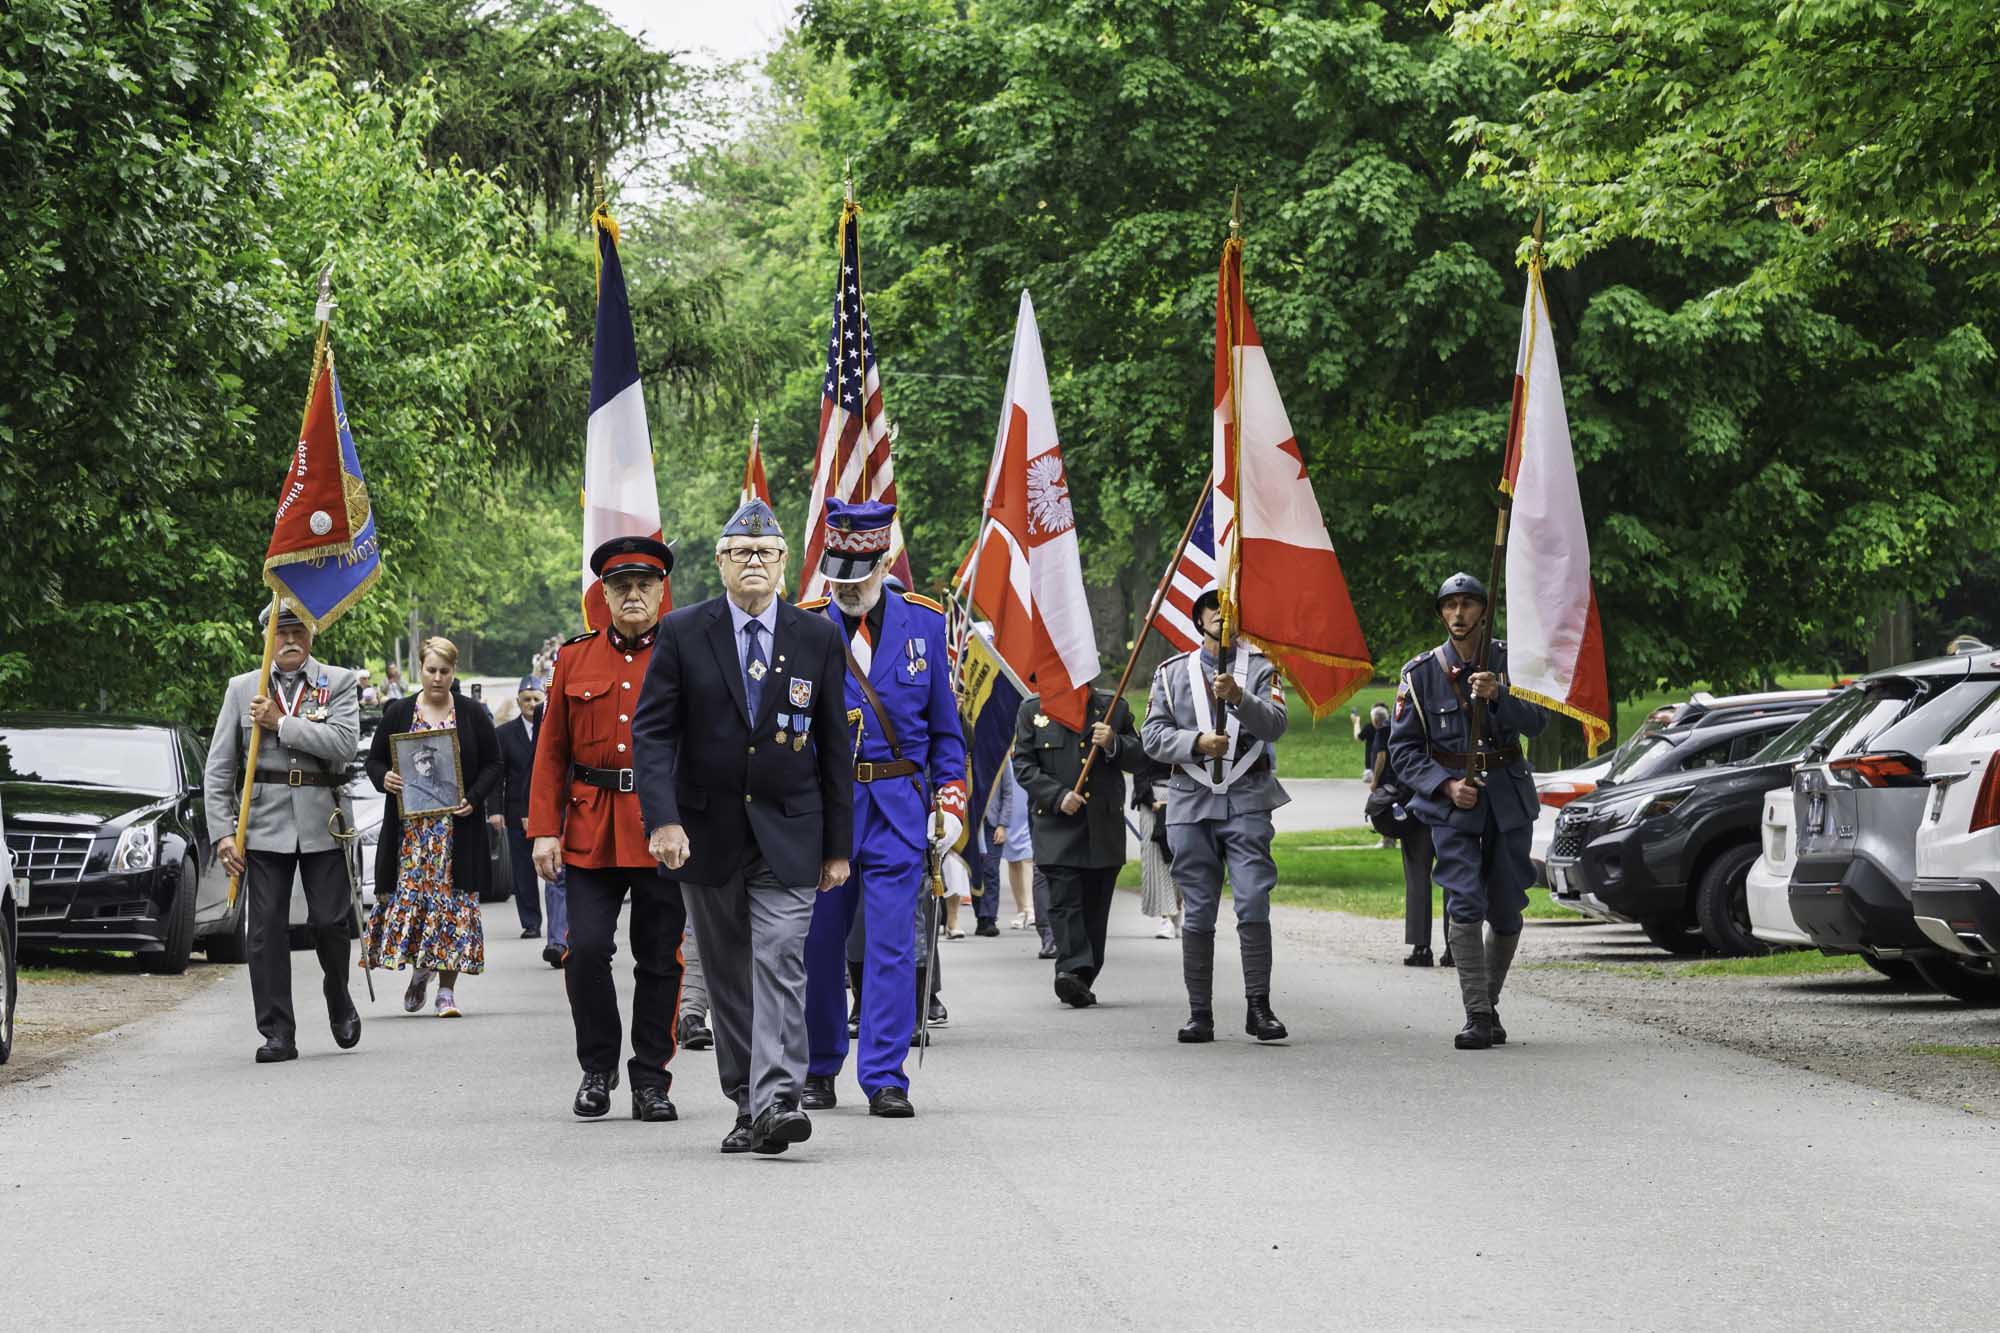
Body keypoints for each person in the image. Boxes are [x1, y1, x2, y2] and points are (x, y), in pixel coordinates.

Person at [631, 500, 853, 1155]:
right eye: (741, 552)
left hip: (792, 832)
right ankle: (747, 1102)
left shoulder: (817, 637)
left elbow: (834, 746)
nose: (754, 562)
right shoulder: (681, 630)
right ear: (721, 562)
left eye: (767, 552)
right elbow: (652, 733)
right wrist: (663, 819)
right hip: (707, 833)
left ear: (786, 564)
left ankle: (780, 1098)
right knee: (728, 977)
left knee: (782, 960)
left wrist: (838, 845)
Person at [796, 499, 966, 1119]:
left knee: (894, 944)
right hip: (826, 812)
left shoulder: (923, 624)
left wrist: (950, 797)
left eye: (859, 574)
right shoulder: (805, 624)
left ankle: (885, 1075)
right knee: (818, 946)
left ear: (884, 562)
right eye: (837, 574)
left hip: (898, 807)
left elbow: (947, 733)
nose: (847, 586)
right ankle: (818, 1068)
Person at [528, 535, 688, 1122]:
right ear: (604, 593)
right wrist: (544, 829)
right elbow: (551, 752)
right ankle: (597, 1068)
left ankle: (651, 1079)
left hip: (660, 829)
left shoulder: (682, 652)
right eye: (621, 586)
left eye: (645, 585)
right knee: (585, 949)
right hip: (591, 826)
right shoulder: (575, 658)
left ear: (661, 590)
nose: (634, 596)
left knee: (660, 959)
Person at [1387, 572, 1548, 1050]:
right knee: (1463, 900)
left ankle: (1489, 1002)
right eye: (1450, 606)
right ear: (1441, 614)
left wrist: (1500, 694)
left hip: (1507, 798)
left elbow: (1539, 721)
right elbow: (1405, 751)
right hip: (1454, 805)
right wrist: (1445, 785)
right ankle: (1477, 1014)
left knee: (1506, 904)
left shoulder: (1511, 663)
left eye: (1468, 605)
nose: (1458, 615)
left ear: (1483, 610)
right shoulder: (1419, 674)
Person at [202, 600, 363, 1063]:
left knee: (331, 924)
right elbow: (219, 770)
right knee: (266, 930)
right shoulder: (242, 689)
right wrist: (223, 833)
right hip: (264, 823)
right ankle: (277, 1032)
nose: (289, 641)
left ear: (311, 635)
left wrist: (281, 723)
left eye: (298, 632)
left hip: (323, 819)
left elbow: (344, 745)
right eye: (281, 632)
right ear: (267, 637)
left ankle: (339, 999)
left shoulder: (338, 682)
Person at [1140, 587, 1291, 1045]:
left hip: (1246, 795)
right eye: (1213, 611)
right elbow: (1152, 735)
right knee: (1200, 907)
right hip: (1191, 799)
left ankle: (1259, 1007)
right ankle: (1199, 1013)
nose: (1222, 619)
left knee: (1252, 900)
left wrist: (1241, 698)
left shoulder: (1263, 668)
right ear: (1199, 619)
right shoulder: (1171, 674)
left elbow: (1276, 725)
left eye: (1230, 613)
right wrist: (1196, 743)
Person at [362, 637, 501, 1017]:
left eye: (445, 671)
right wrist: (385, 778)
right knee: (419, 904)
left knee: (452, 907)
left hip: (457, 832)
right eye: (431, 670)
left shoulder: (472, 714)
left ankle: (447, 992)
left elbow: (494, 763)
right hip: (412, 836)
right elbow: (374, 761)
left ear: (453, 673)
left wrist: (473, 797)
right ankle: (421, 971)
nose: (438, 678)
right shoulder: (399, 712)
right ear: (420, 670)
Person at [1011, 686, 1145, 1007]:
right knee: (1064, 901)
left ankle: (1083, 975)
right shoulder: (1033, 710)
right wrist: (1057, 796)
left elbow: (1141, 757)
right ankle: (1069, 971)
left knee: (1095, 909)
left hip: (1103, 826)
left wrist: (1114, 742)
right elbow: (1024, 766)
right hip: (1057, 826)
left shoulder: (1114, 707)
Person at [495, 676, 555, 953]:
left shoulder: (554, 727)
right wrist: (495, 811)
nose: (532, 704)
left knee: (557, 871)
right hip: (517, 810)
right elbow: (498, 776)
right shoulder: (505, 734)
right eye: (527, 699)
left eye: (536, 699)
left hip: (551, 810)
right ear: (518, 701)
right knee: (522, 869)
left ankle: (560, 925)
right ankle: (531, 921)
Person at [1131, 754, 1180, 938]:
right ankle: (1165, 917)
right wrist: (1150, 800)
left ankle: (1179, 907)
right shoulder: (1147, 734)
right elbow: (1139, 769)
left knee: (1182, 858)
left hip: (1182, 796)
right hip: (1153, 798)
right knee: (1157, 860)